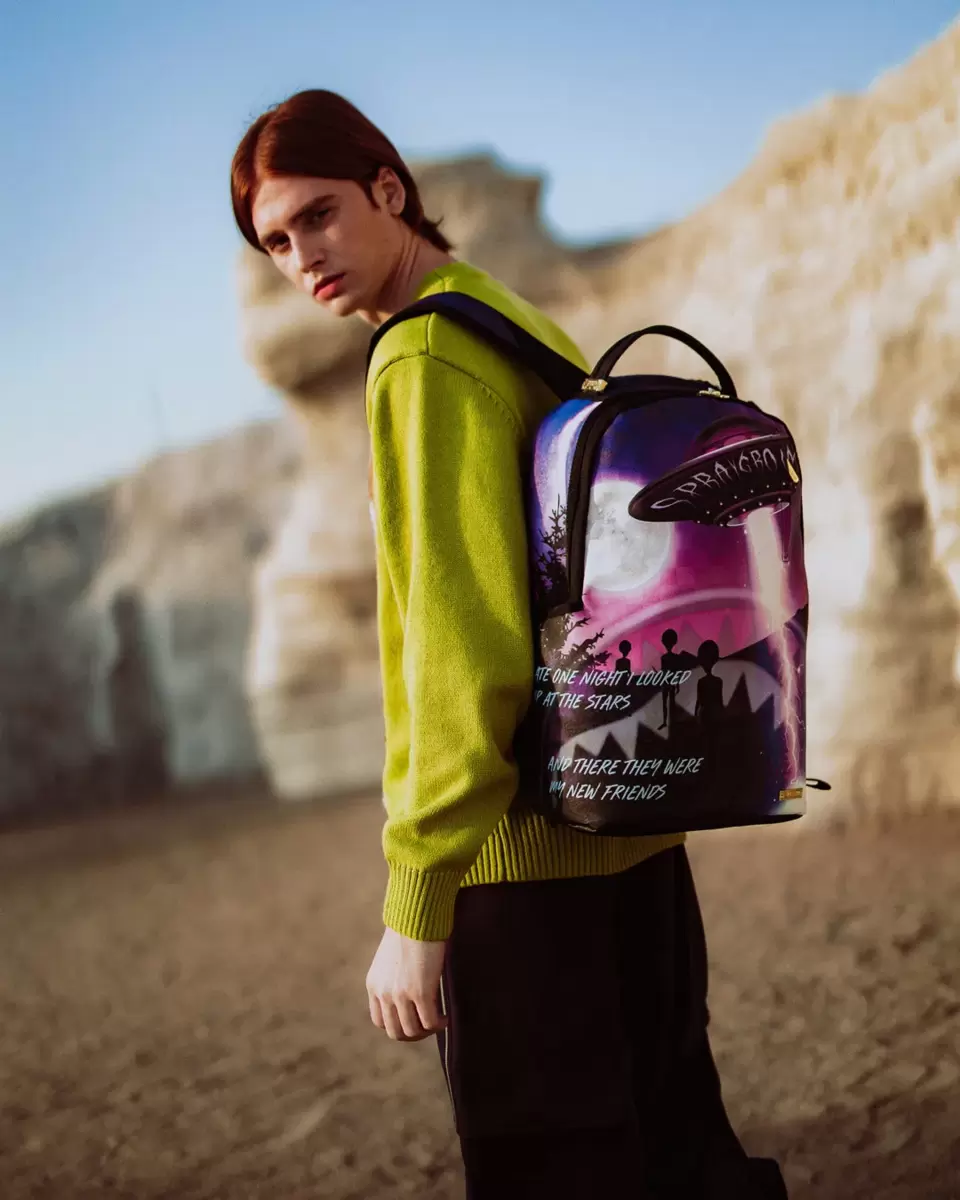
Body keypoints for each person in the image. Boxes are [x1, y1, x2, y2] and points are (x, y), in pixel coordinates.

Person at [230, 89, 788, 1199]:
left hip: (524, 868)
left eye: (319, 215)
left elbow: (461, 645)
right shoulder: (506, 318)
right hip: (631, 822)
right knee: (683, 1154)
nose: (303, 257)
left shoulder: (422, 356)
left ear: (389, 190)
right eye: (276, 242)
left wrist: (417, 899)